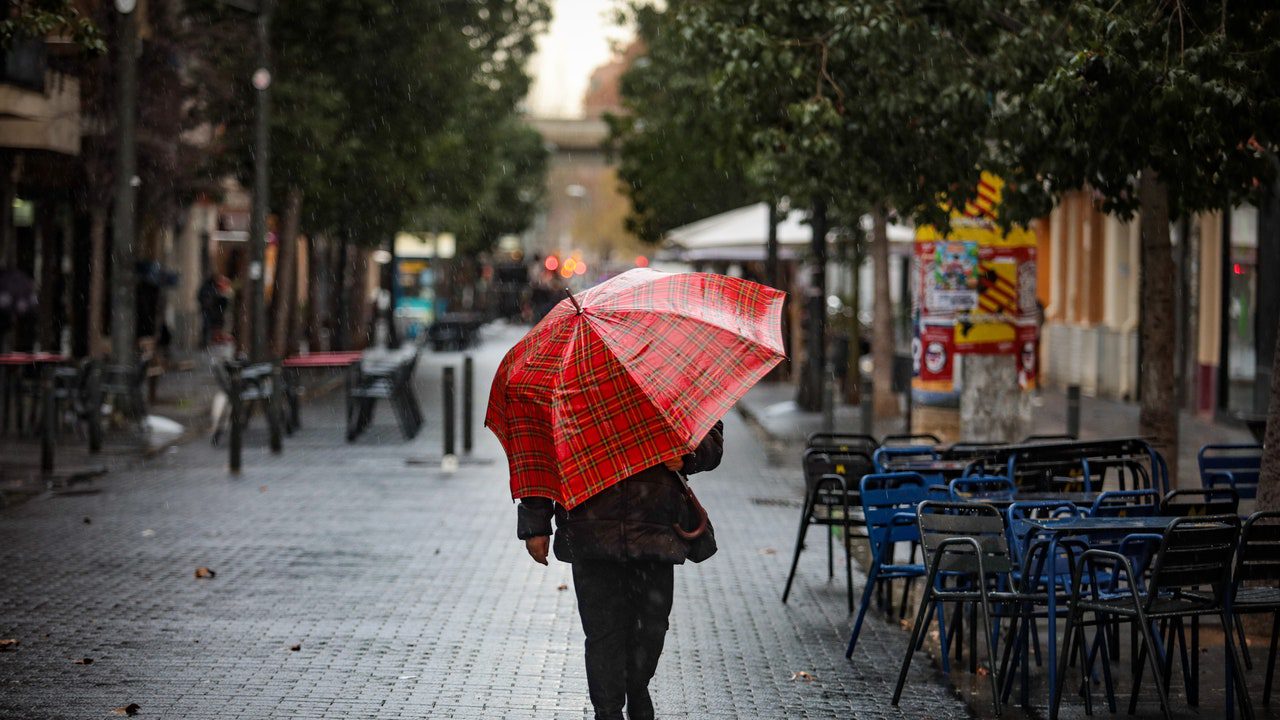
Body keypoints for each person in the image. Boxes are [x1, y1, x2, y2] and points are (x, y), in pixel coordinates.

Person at [517, 421, 725, 720]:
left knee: (652, 627)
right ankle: (608, 711)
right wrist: (535, 521)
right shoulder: (569, 384)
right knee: (603, 631)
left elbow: (710, 429)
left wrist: (688, 456)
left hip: (655, 528)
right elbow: (540, 450)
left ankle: (637, 687)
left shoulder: (664, 378)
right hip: (590, 525)